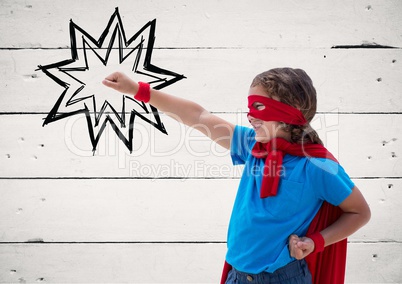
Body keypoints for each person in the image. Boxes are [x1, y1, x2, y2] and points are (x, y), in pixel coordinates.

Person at [102, 68, 371, 284]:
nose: (250, 116)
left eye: (260, 108)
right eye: (249, 106)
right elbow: (197, 116)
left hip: (282, 277)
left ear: (292, 112)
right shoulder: (252, 144)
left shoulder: (317, 166)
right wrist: (139, 90)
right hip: (238, 275)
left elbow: (359, 212)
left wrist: (315, 242)